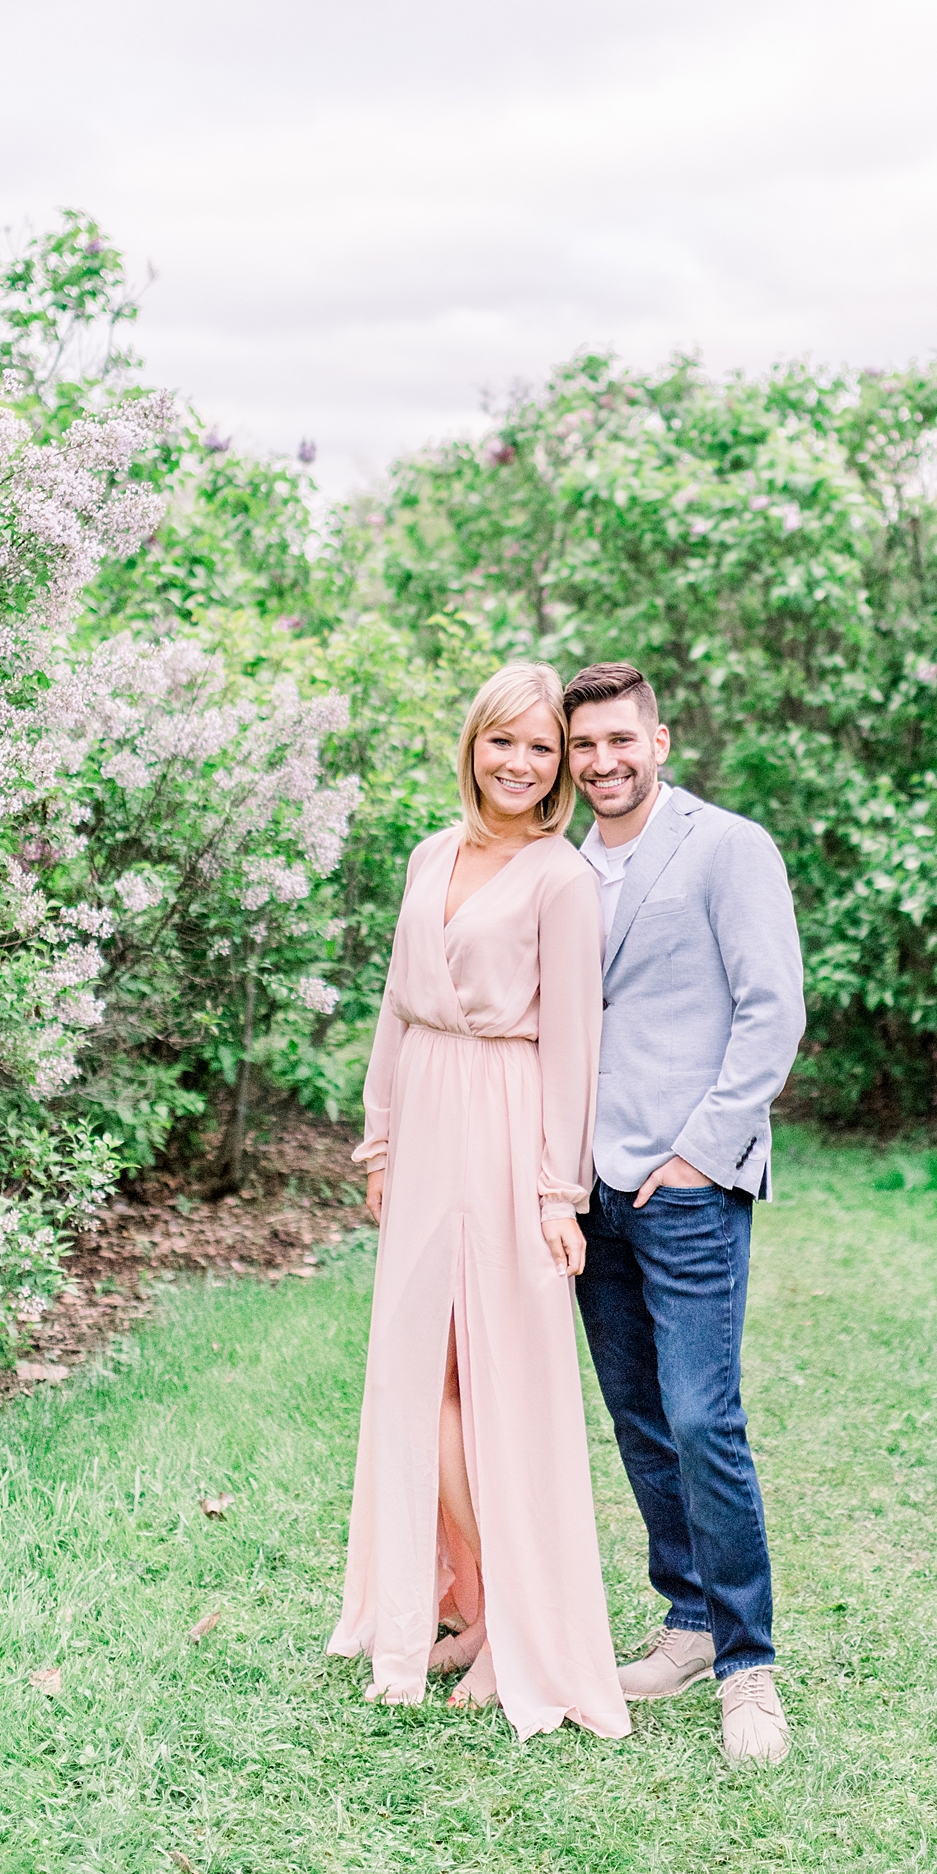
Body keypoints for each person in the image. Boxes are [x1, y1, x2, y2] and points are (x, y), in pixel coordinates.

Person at [327, 662, 629, 1744]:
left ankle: (519, 1629)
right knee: (422, 1377)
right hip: (426, 1118)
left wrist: (561, 1190)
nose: (522, 764)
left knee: (502, 1377)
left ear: (559, 767)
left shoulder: (563, 879)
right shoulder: (429, 853)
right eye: (506, 742)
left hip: (507, 1125)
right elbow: (398, 1006)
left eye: (543, 749)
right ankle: (464, 1601)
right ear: (474, 745)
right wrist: (380, 1136)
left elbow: (573, 1049)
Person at [565, 661, 805, 1765]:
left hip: (688, 1182)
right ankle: (689, 1623)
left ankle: (749, 1666)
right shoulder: (566, 867)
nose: (603, 762)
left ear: (658, 741)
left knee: (706, 1417)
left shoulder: (726, 847)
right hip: (591, 1189)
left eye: (622, 740)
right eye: (584, 747)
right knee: (638, 1416)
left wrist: (700, 1155)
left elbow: (773, 1011)